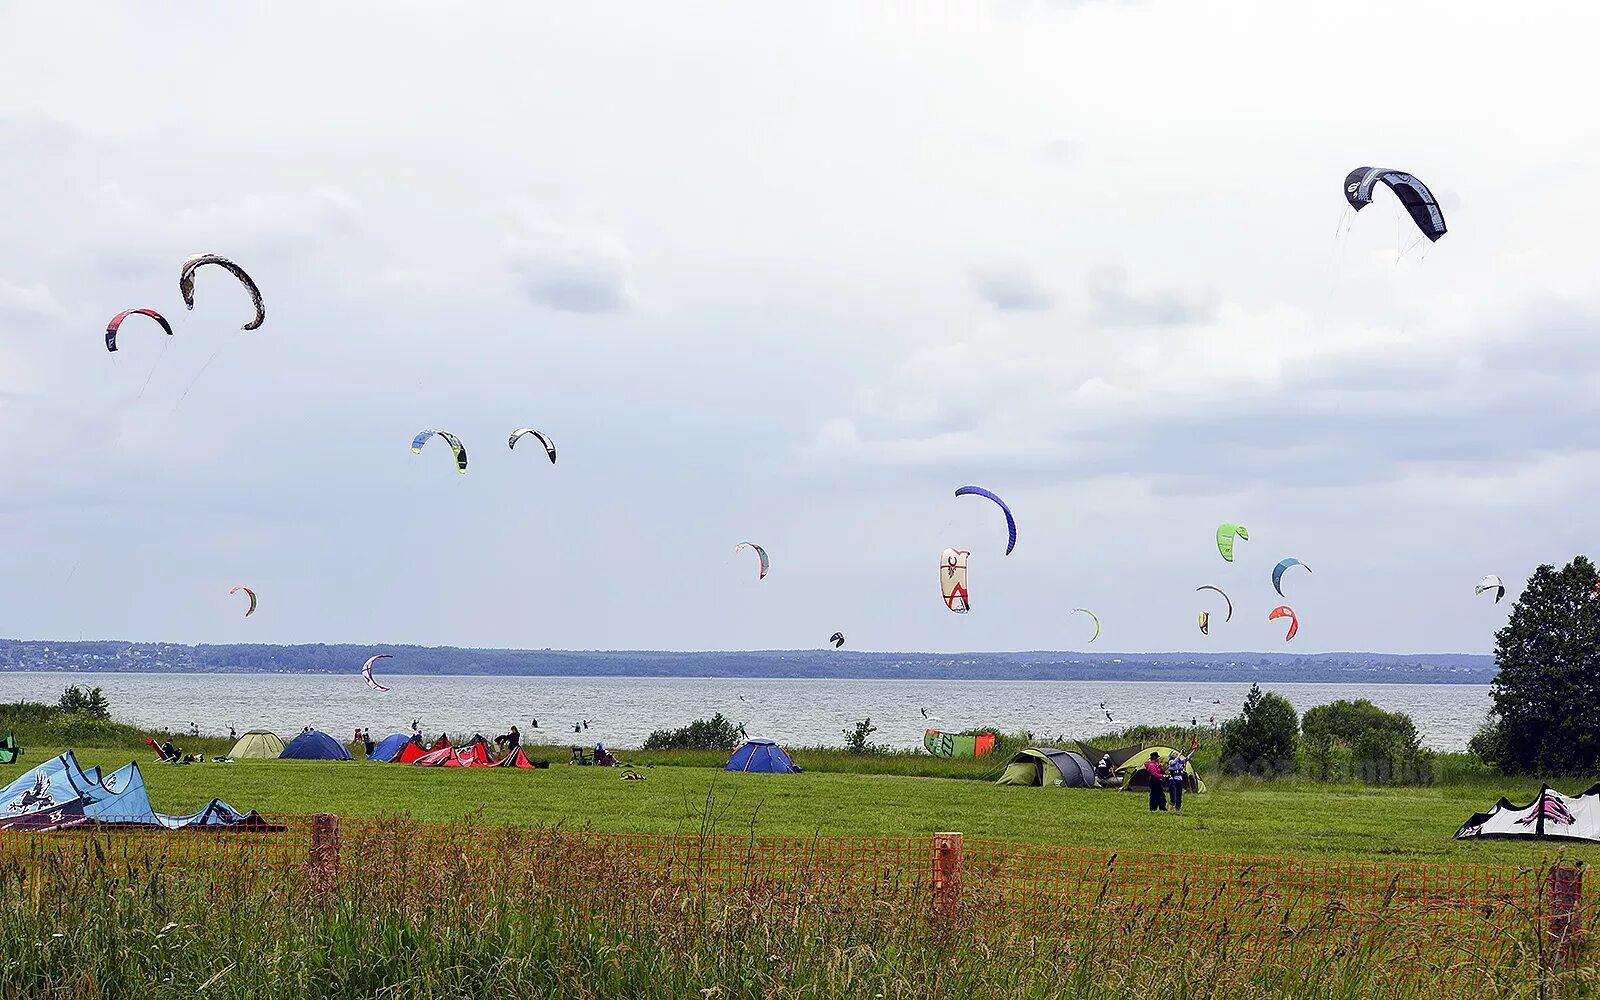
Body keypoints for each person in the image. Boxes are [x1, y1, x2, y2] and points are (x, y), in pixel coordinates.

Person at [1167, 746, 1197, 814]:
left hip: (1179, 780)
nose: (1176, 754)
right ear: (1172, 755)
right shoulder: (1171, 761)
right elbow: (1174, 762)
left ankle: (1177, 810)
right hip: (1172, 781)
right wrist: (1180, 753)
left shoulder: (1180, 762)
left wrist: (1194, 751)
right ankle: (1169, 810)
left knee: (1179, 796)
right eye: (1175, 753)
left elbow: (1188, 758)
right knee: (1173, 796)